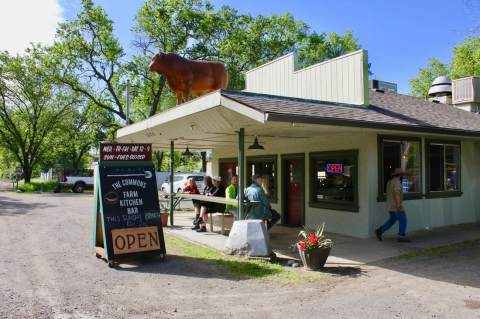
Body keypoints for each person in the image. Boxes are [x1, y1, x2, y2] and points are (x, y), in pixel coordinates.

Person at [375, 168, 411, 243]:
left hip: (390, 205)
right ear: (400, 175)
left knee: (392, 220)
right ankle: (401, 236)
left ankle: (380, 230)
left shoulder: (389, 182)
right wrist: (398, 205)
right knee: (403, 220)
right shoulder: (397, 182)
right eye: (402, 174)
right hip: (396, 206)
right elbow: (397, 194)